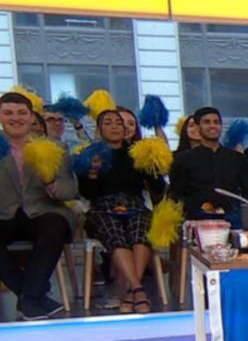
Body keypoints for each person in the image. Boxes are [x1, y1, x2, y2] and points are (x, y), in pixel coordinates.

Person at [0, 91, 79, 320]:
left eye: (21, 113)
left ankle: (29, 298)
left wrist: (50, 183)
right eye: (8, 113)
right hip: (4, 214)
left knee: (56, 224)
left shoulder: (54, 147)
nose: (16, 118)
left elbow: (70, 190)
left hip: (43, 211)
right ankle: (33, 296)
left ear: (30, 116)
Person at [80, 109, 163, 314]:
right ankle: (138, 289)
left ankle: (130, 292)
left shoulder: (137, 153)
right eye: (108, 123)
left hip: (134, 206)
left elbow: (158, 188)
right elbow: (86, 192)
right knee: (115, 232)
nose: (115, 126)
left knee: (141, 230)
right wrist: (93, 173)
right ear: (99, 129)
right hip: (102, 207)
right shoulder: (89, 154)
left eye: (118, 123)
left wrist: (153, 167)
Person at [167, 108, 248, 222]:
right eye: (206, 122)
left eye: (216, 122)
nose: (212, 126)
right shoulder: (183, 159)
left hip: (232, 220)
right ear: (197, 127)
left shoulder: (238, 158)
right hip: (195, 221)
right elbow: (176, 196)